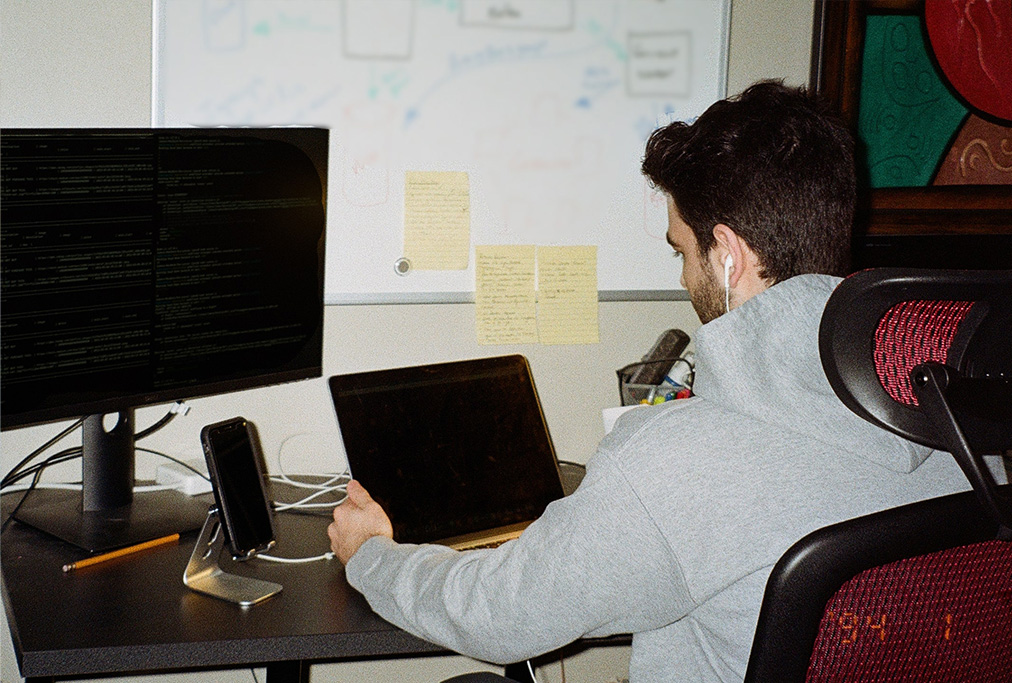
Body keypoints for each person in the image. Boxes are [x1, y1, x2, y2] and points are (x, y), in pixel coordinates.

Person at [327, 81, 967, 682]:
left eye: (681, 251)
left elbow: (497, 615)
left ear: (727, 255)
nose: (683, 276)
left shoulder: (674, 461)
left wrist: (373, 555)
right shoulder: (959, 418)